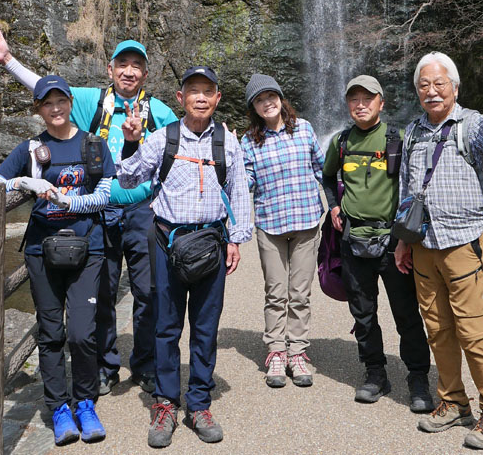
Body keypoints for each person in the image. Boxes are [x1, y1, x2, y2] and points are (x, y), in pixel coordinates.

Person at [0, 30, 179, 395]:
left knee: (147, 291)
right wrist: (7, 60)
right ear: (110, 69)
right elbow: (46, 92)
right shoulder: (90, 101)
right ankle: (106, 365)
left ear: (146, 74)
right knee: (103, 291)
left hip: (143, 211)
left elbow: (181, 151)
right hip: (98, 212)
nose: (129, 71)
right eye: (123, 64)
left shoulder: (160, 112)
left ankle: (144, 363)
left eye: (137, 66)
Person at [394, 52, 483, 450]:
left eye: (439, 84)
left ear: (454, 87)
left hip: (463, 243)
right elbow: (406, 190)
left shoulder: (473, 124)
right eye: (424, 85)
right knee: (437, 329)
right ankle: (453, 401)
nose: (431, 91)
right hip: (423, 244)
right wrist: (403, 240)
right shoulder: (413, 131)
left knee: (474, 332)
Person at [117, 66, 252, 447]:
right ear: (181, 98)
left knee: (206, 328)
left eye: (208, 91)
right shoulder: (163, 138)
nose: (201, 97)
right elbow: (127, 178)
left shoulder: (227, 142)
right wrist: (131, 143)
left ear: (218, 98)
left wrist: (236, 239)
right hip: (166, 243)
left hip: (211, 243)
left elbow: (239, 190)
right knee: (166, 327)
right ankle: (165, 403)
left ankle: (199, 403)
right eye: (193, 91)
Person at [0, 75, 113, 446]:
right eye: (47, 103)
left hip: (88, 248)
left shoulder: (94, 145)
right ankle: (59, 407)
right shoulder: (30, 149)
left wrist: (65, 200)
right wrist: (24, 183)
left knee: (82, 332)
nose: (55, 108)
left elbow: (104, 197)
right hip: (42, 250)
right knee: (51, 332)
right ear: (39, 109)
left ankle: (85, 402)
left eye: (61, 101)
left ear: (71, 103)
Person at [321, 75, 433, 412]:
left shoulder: (397, 139)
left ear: (381, 103)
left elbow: (414, 185)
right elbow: (327, 177)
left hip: (391, 242)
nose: (360, 105)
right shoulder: (341, 141)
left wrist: (406, 237)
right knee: (363, 313)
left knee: (406, 313)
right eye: (354, 99)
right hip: (353, 240)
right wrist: (334, 206)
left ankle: (418, 377)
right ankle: (375, 373)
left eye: (367, 99)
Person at [240, 74, 324, 388]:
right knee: (276, 293)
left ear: (280, 97)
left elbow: (321, 168)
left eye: (271, 96)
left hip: (306, 223)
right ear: (254, 108)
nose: (267, 103)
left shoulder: (304, 129)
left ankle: (298, 352)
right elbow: (244, 183)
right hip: (271, 225)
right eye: (260, 100)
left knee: (299, 294)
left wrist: (340, 205)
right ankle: (276, 351)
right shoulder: (249, 141)